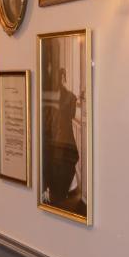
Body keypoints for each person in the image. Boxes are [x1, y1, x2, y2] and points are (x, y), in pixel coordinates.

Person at [46, 67, 80, 205]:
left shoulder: (71, 97)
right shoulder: (51, 96)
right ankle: (58, 193)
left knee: (65, 165)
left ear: (62, 78)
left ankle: (61, 194)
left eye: (60, 77)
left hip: (65, 138)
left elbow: (70, 115)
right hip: (55, 138)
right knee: (55, 165)